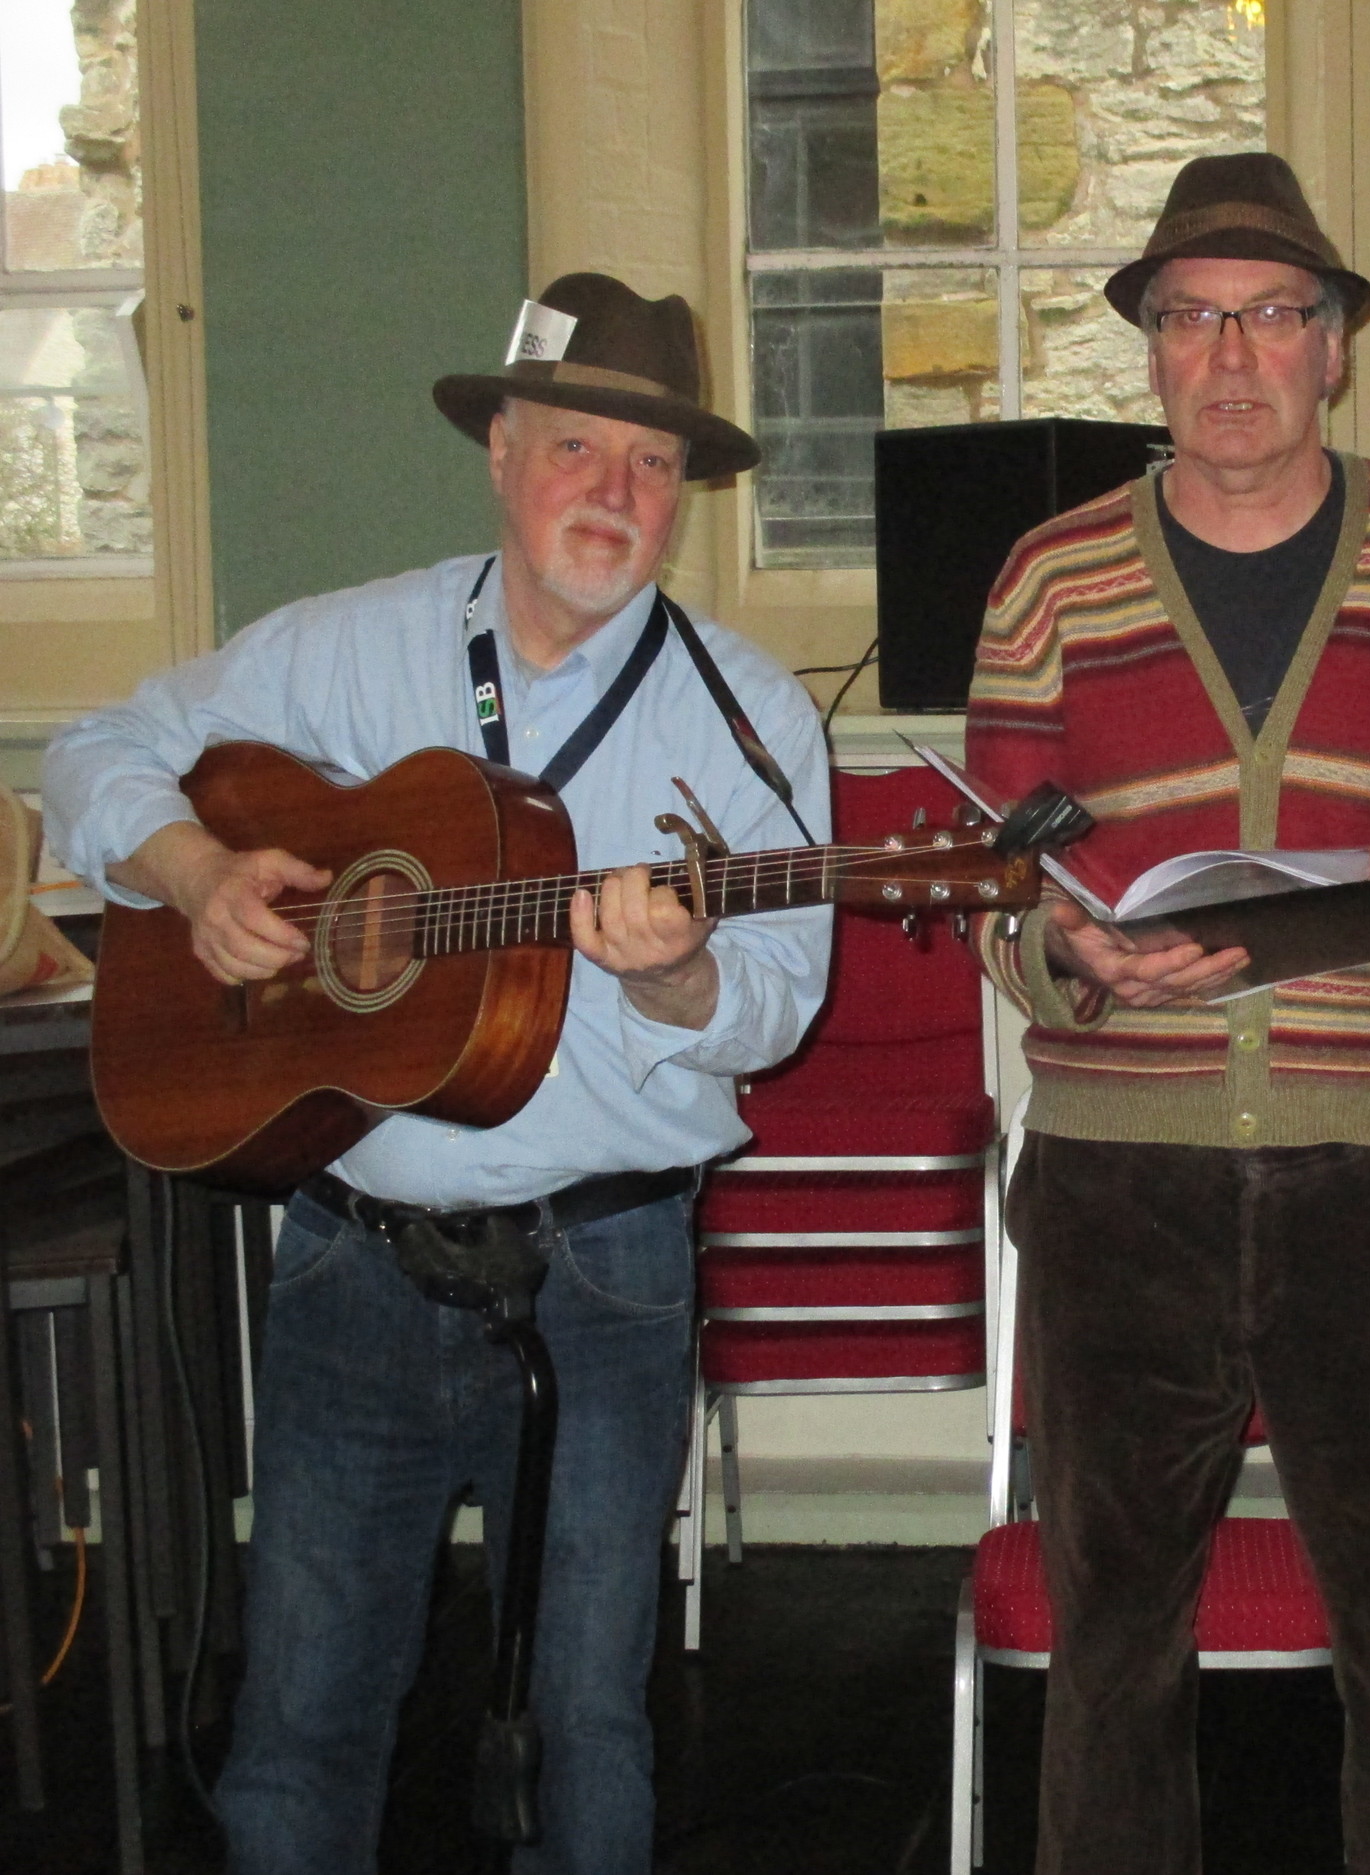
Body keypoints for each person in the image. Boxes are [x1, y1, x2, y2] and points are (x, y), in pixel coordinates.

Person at [45, 272, 831, 1874]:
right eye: (578, 447)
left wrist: (680, 968)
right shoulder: (347, 649)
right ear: (500, 449)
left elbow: (779, 1009)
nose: (614, 493)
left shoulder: (750, 721)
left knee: (587, 1721)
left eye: (653, 465)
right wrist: (195, 874)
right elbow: (90, 752)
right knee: (304, 1720)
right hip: (353, 1264)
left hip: (609, 1269)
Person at [965, 152, 1370, 1875]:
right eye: (1192, 318)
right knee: (1113, 1649)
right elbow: (1003, 876)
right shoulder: (1047, 577)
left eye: (1274, 315)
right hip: (1124, 1175)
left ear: (1334, 345)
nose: (1232, 356)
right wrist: (1076, 956)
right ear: (1149, 353)